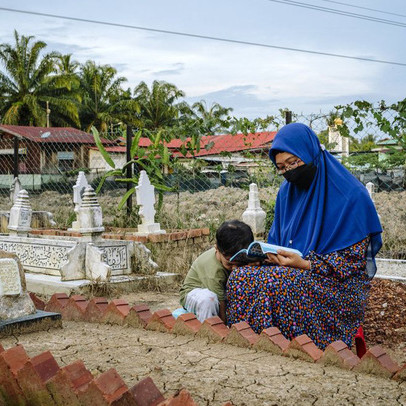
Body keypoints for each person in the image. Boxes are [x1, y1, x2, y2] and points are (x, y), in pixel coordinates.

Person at [226, 123, 383, 349]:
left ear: (310, 153)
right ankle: (250, 346)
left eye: (294, 162)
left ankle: (292, 348)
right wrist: (268, 256)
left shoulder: (351, 195)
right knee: (241, 278)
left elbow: (353, 262)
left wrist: (306, 264)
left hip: (336, 284)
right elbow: (278, 241)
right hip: (290, 270)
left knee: (280, 283)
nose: (289, 171)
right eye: (281, 167)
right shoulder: (287, 193)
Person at [179, 220, 254, 323]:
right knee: (209, 300)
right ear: (217, 249)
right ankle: (208, 329)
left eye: (239, 263)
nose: (235, 268)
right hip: (194, 293)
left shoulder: (233, 253)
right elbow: (221, 302)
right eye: (230, 263)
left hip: (220, 291)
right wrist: (224, 328)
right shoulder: (214, 271)